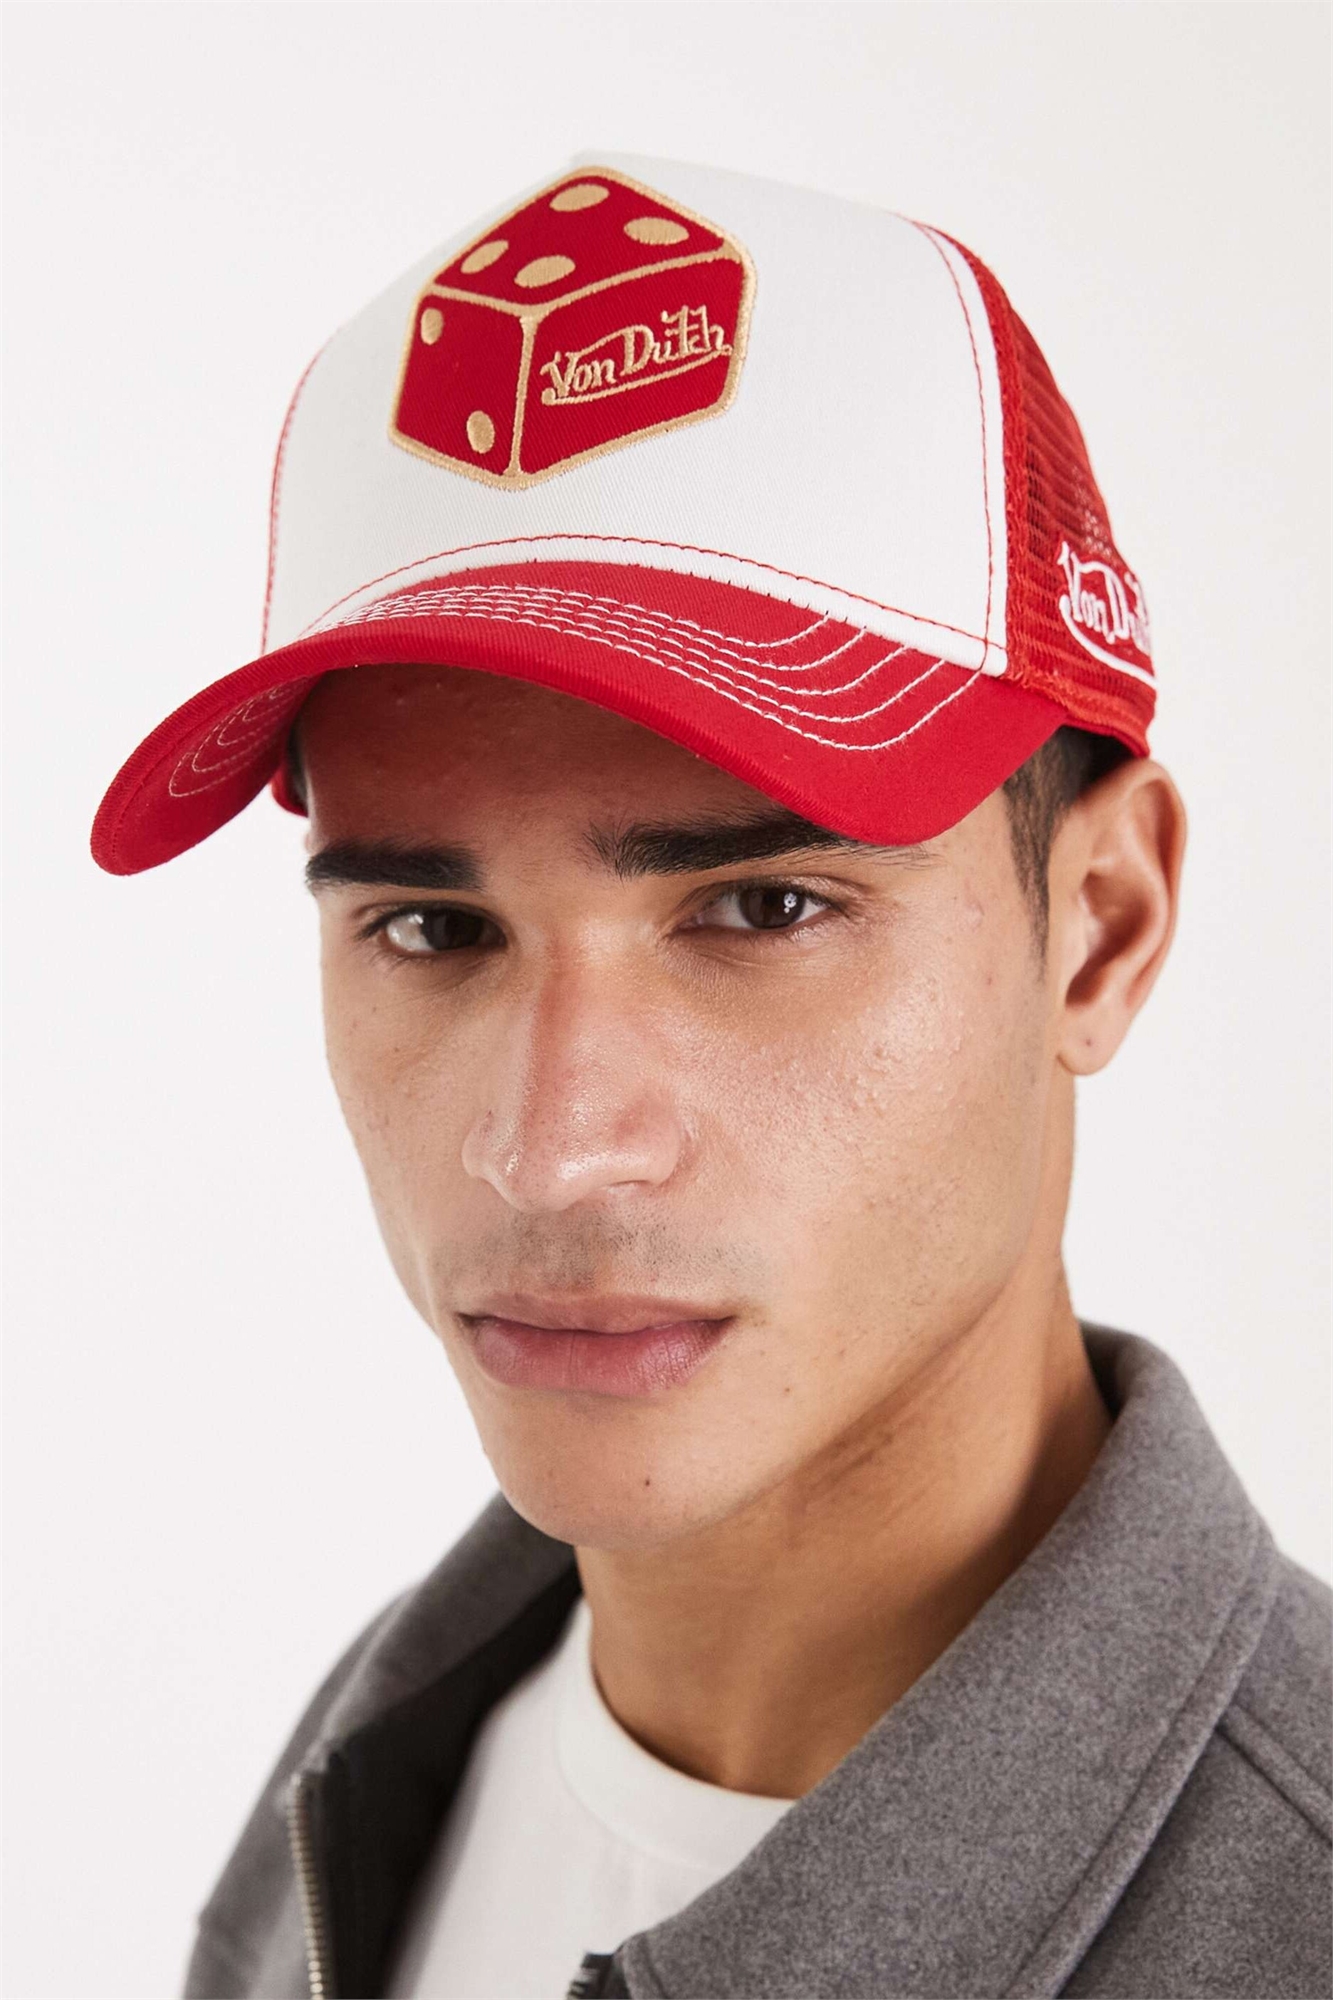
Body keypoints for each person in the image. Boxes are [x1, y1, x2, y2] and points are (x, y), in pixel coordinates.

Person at [92, 156, 1330, 2000]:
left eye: (761, 907)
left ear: (1097, 929)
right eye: (431, 928)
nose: (549, 1149)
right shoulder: (383, 1759)